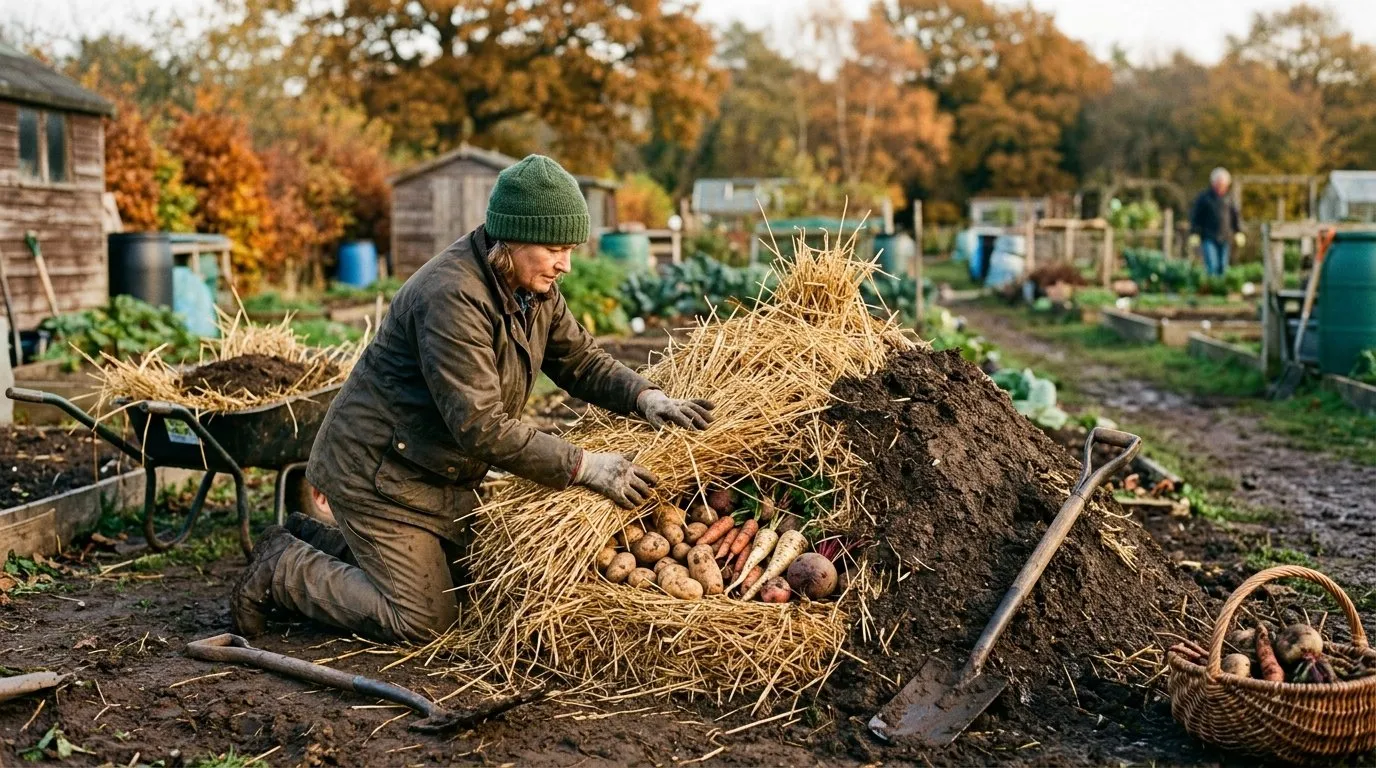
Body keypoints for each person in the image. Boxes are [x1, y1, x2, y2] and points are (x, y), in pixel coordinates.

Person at [229, 155, 715, 643]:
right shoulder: (453, 297)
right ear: (514, 237)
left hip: (430, 469)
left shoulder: (531, 288)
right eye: (554, 249)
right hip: (377, 472)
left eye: (569, 249)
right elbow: (480, 425)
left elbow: (581, 361)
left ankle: (314, 540)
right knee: (425, 620)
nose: (565, 264)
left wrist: (646, 396)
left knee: (474, 588)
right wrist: (585, 466)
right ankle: (283, 569)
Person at [1189, 167, 1245, 277]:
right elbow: (1196, 216)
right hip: (1208, 236)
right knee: (1212, 265)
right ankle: (1212, 288)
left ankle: (1221, 290)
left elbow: (1235, 216)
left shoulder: (1230, 199)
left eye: (1223, 184)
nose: (1221, 187)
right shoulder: (1204, 198)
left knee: (1222, 266)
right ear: (1213, 183)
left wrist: (1239, 231)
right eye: (1218, 184)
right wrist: (1194, 233)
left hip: (1225, 236)